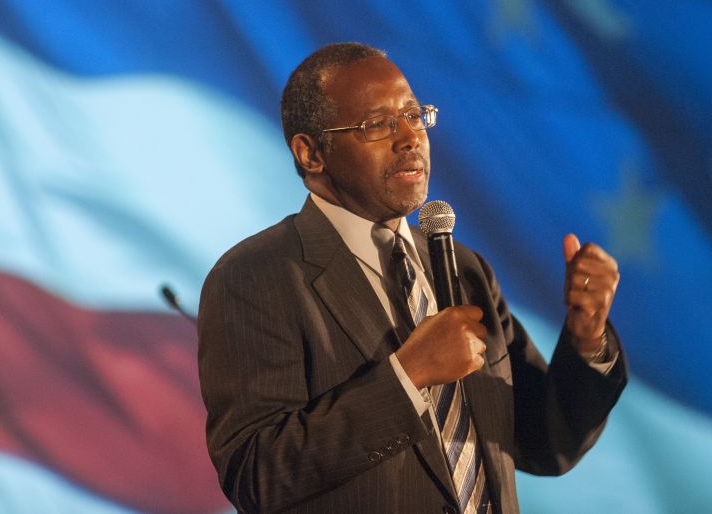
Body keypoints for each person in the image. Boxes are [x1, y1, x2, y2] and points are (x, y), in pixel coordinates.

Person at [197, 43, 626, 514]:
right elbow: (257, 474)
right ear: (311, 152)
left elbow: (547, 443)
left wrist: (588, 341)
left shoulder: (465, 270)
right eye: (378, 124)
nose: (409, 138)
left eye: (414, 115)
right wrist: (408, 376)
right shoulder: (256, 276)